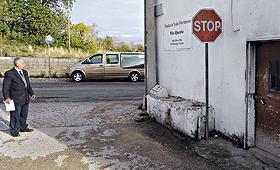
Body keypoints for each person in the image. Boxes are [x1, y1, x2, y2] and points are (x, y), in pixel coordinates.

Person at [2, 57, 35, 137]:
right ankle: (14, 131)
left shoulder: (25, 72)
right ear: (17, 64)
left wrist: (31, 93)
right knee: (15, 115)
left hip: (25, 97)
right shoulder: (9, 73)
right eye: (23, 63)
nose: (24, 64)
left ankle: (23, 127)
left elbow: (27, 84)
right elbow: (5, 87)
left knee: (24, 114)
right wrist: (7, 97)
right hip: (15, 98)